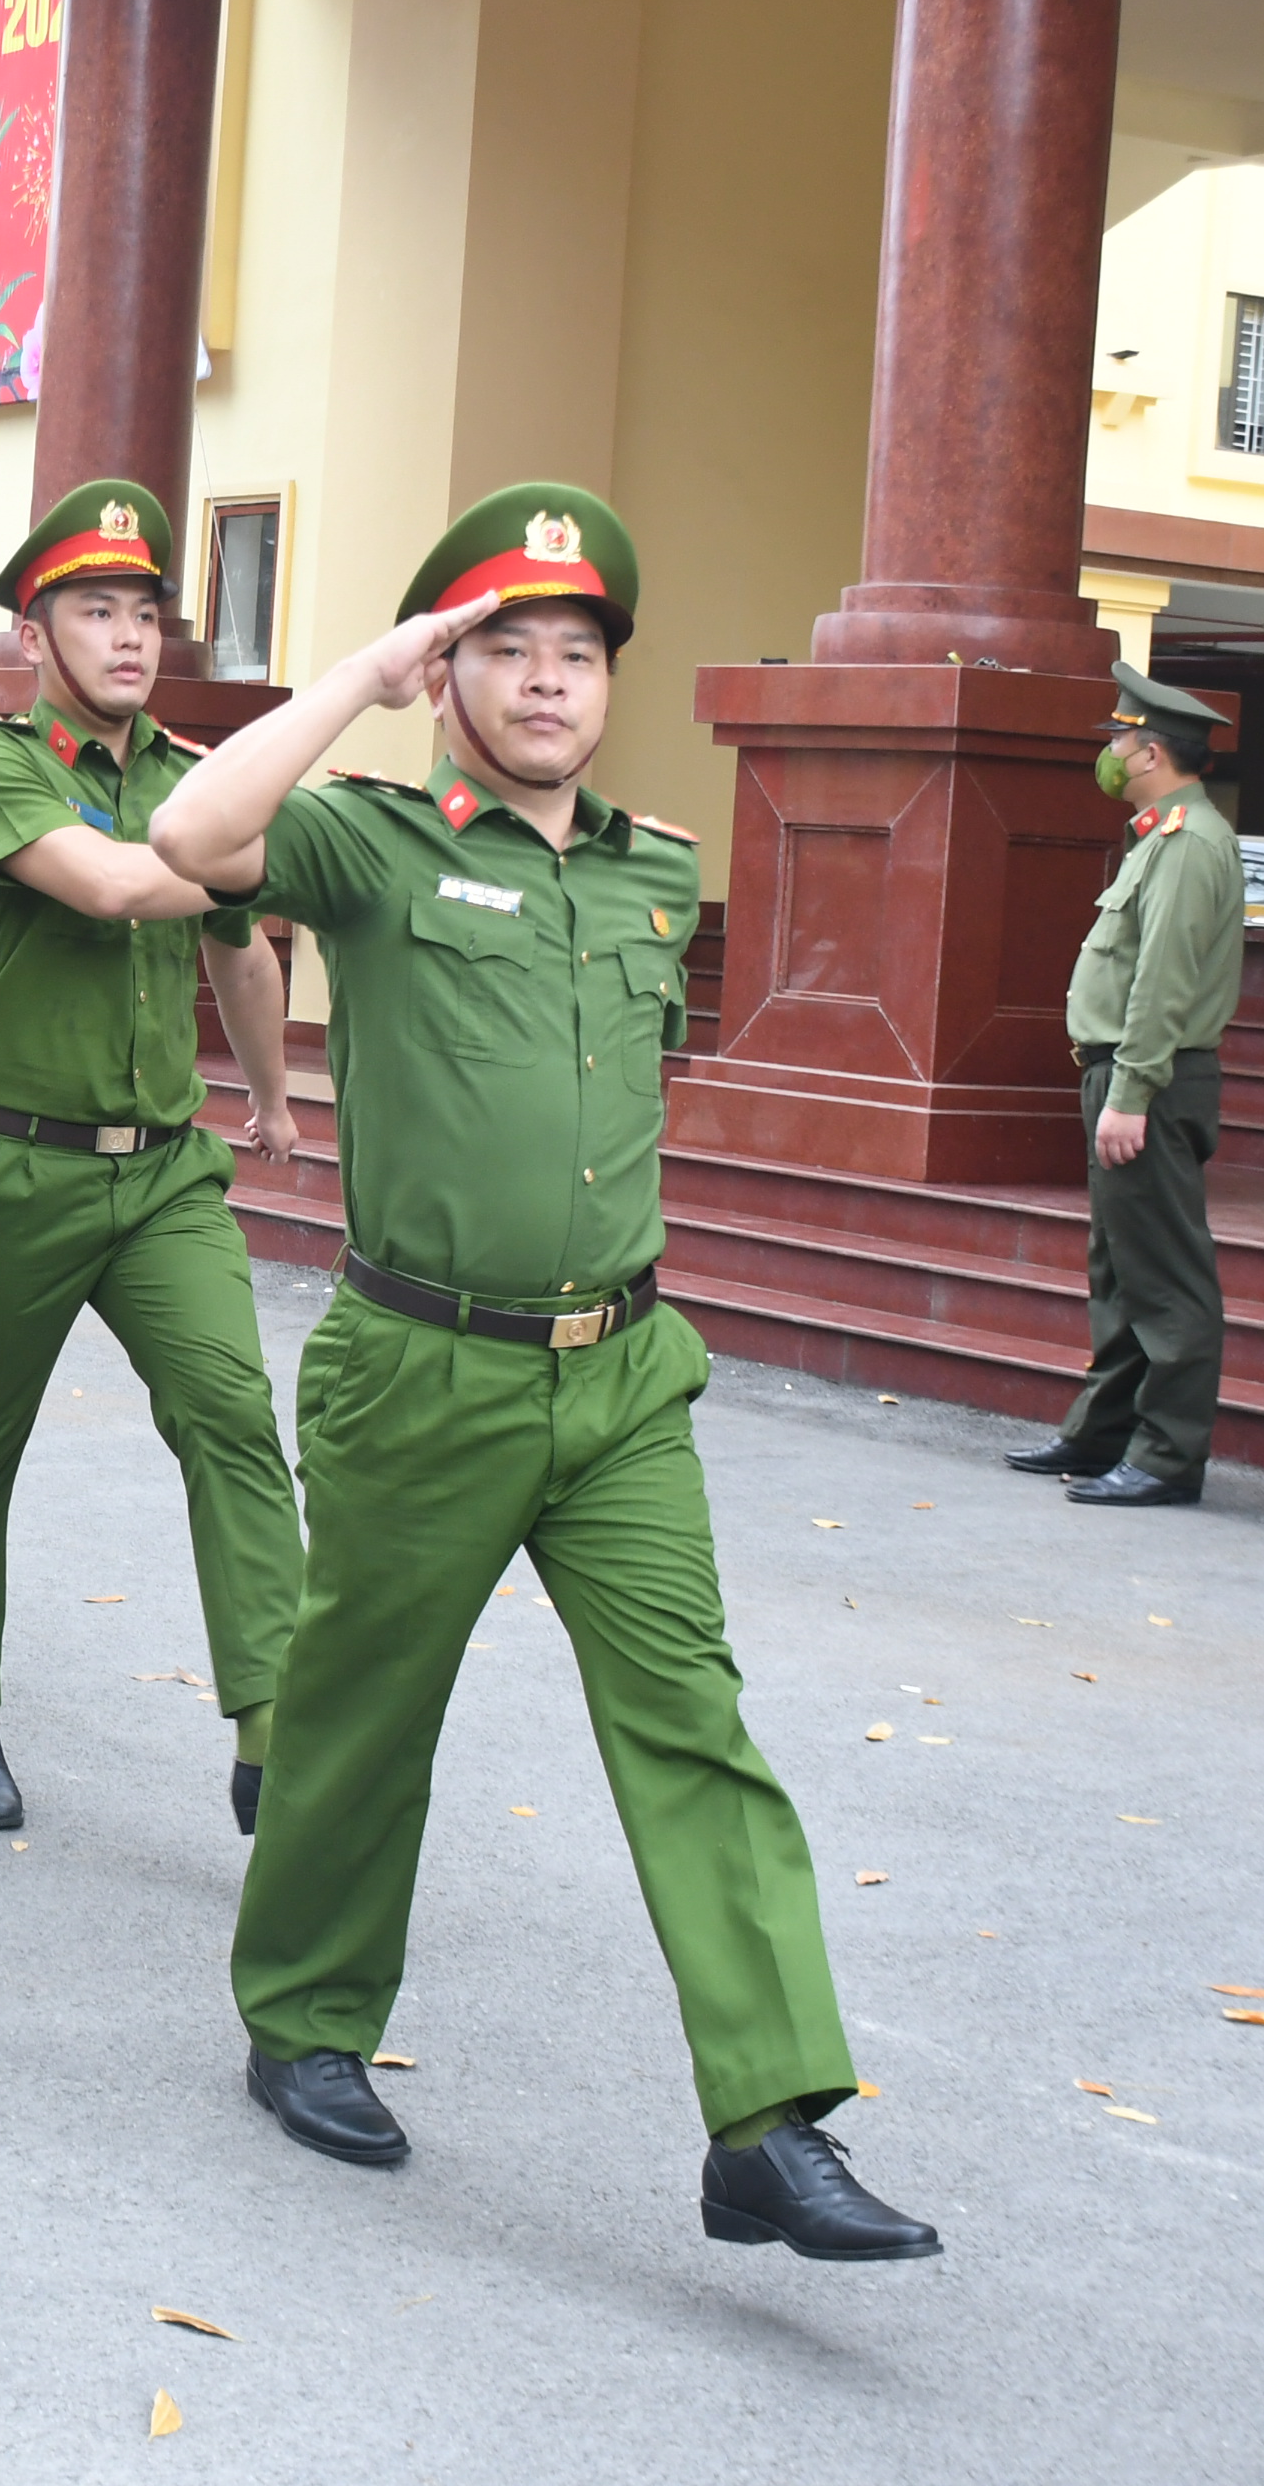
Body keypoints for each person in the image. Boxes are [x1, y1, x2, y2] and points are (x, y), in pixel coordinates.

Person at [152, 480, 936, 2262]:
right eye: (506, 648)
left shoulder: (657, 870)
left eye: (578, 652)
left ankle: (771, 2118)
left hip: (623, 1374)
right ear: (450, 674)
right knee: (362, 1717)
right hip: (425, 1369)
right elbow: (194, 834)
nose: (547, 681)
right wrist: (357, 678)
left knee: (694, 1723)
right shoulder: (369, 844)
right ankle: (305, 2019)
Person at [0, 481, 305, 1839]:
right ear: (35, 635)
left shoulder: (195, 779)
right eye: (96, 611)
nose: (130, 636)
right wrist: (269, 861)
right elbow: (117, 886)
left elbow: (240, 953)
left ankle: (273, 1727)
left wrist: (272, 1097)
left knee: (231, 1415)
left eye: (145, 612)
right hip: (16, 1168)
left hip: (165, 1175)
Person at [1007, 661, 1244, 1508]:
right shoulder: (1163, 837)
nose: (1109, 752)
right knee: (1119, 1268)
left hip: (1153, 1078)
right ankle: (1105, 1434)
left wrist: (1132, 1093)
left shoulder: (1188, 843)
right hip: (1127, 1073)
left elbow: (1162, 982)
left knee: (1165, 1275)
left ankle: (1167, 1457)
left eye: (1119, 738)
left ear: (1150, 752)